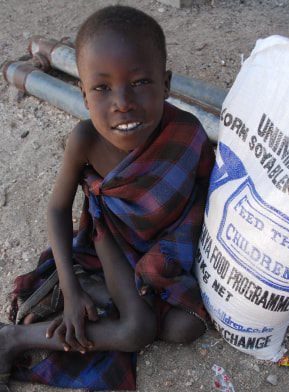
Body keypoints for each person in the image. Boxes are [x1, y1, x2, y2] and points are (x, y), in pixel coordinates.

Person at [0, 5, 215, 391]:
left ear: (165, 84)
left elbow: (202, 195)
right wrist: (70, 289)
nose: (122, 102)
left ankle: (104, 293)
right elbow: (56, 208)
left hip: (164, 247)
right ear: (83, 95)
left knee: (187, 327)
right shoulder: (86, 139)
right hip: (112, 240)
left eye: (139, 82)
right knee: (138, 330)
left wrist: (173, 252)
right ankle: (13, 337)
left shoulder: (187, 133)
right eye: (102, 88)